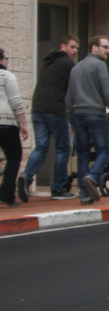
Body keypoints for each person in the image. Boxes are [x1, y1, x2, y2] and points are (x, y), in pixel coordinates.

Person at [17, 35, 78, 202]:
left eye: (77, 48)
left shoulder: (47, 61)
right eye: (72, 47)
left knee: (41, 147)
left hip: (38, 109)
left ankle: (27, 176)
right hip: (56, 110)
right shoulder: (67, 64)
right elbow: (74, 90)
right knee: (63, 148)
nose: (75, 51)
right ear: (63, 46)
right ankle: (58, 188)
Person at [65, 36, 109, 204]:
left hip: (78, 116)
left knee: (82, 155)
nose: (108, 50)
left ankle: (84, 194)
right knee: (103, 151)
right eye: (105, 47)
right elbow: (107, 93)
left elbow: (68, 98)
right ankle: (92, 176)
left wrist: (71, 121)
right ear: (94, 48)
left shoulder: (76, 68)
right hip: (96, 114)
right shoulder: (99, 65)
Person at [0, 48, 31, 208]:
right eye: (6, 58)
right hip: (6, 123)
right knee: (14, 156)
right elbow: (16, 101)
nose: (7, 61)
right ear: (1, 60)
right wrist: (24, 123)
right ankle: (7, 194)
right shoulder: (7, 76)